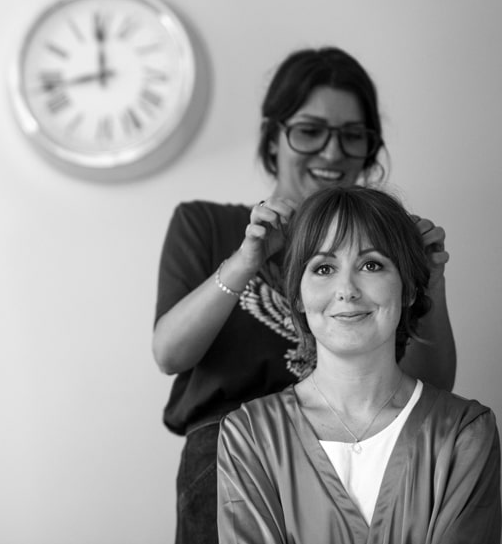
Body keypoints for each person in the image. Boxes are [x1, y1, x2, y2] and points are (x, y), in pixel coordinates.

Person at [152, 46, 457, 544]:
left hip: (358, 455)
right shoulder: (208, 224)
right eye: (310, 131)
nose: (332, 153)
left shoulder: (386, 246)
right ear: (273, 139)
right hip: (226, 454)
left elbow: (434, 390)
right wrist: (248, 258)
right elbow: (169, 353)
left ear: (370, 149)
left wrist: (431, 282)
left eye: (352, 135)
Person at [216, 185, 500, 542]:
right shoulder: (249, 436)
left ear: (409, 290)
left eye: (371, 264)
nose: (346, 289)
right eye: (323, 268)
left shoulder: (464, 432)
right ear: (298, 297)